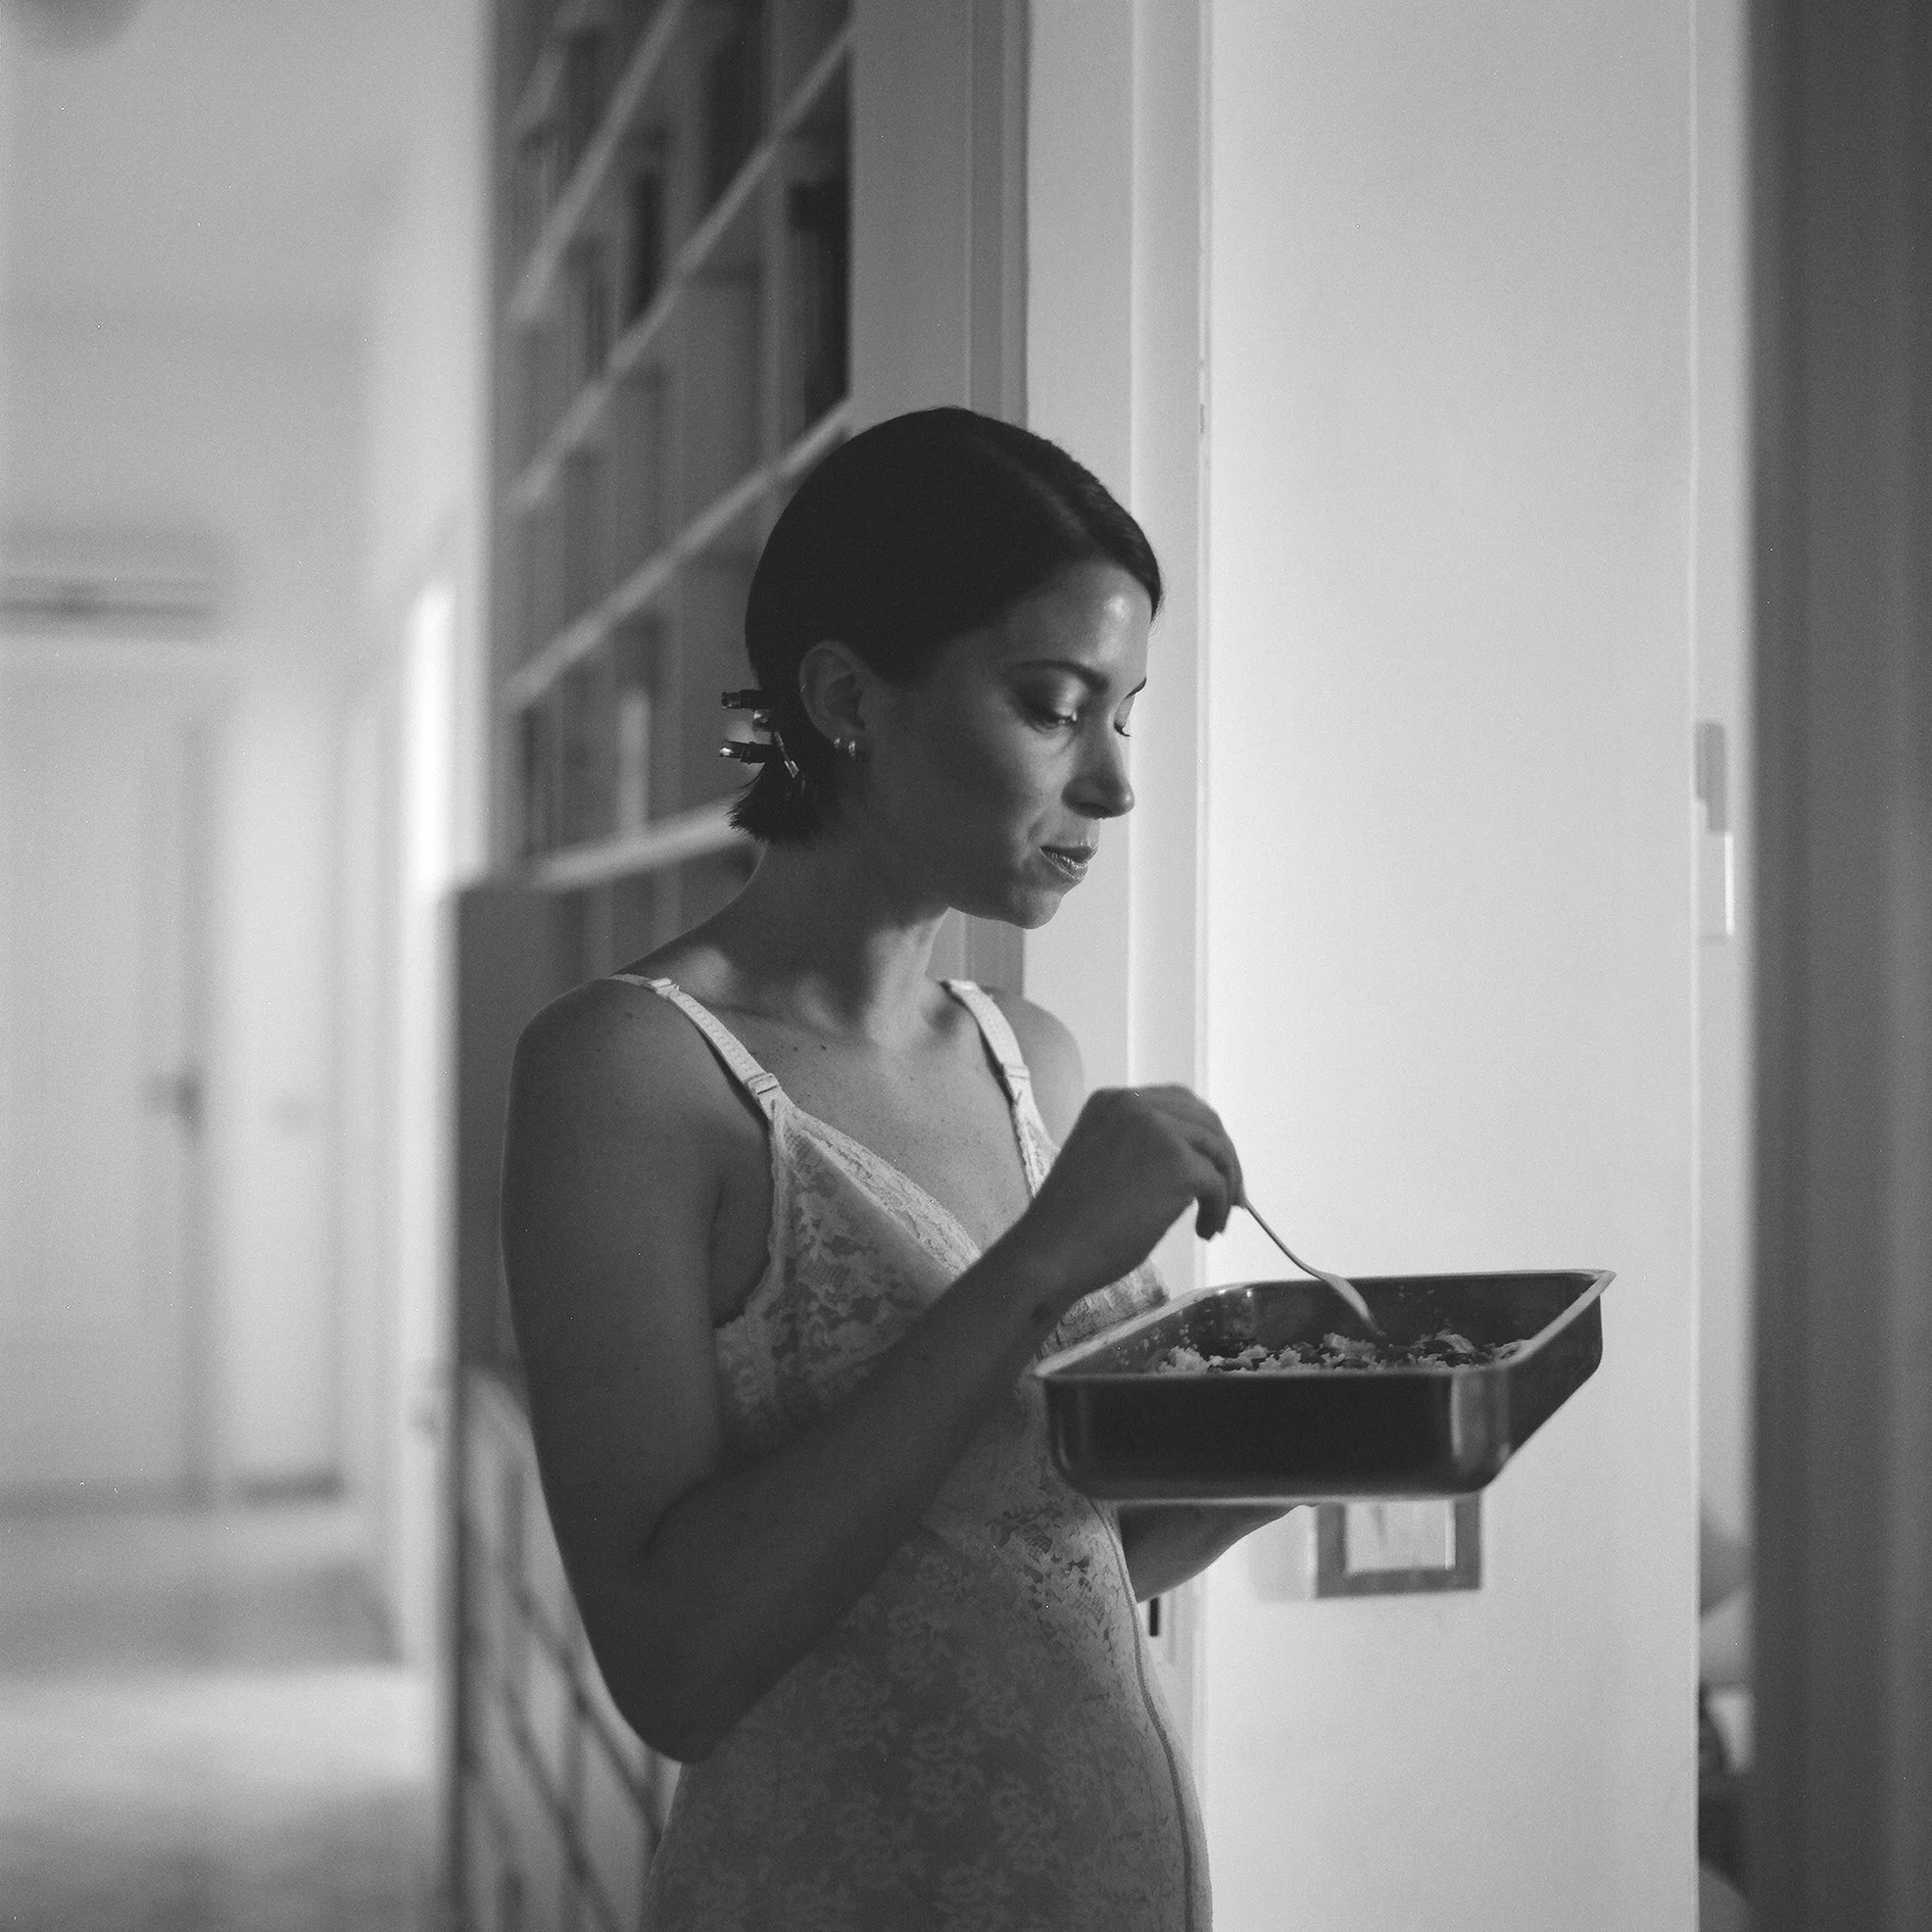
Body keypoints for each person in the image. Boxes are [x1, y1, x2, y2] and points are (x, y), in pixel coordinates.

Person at [500, 407, 1279, 1929]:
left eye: (1125, 713)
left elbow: (1065, 1544)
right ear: (849, 696)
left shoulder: (1029, 1058)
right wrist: (1041, 1265)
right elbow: (675, 1665)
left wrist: (1320, 1440)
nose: (1113, 783)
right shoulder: (630, 1072)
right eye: (1056, 707)